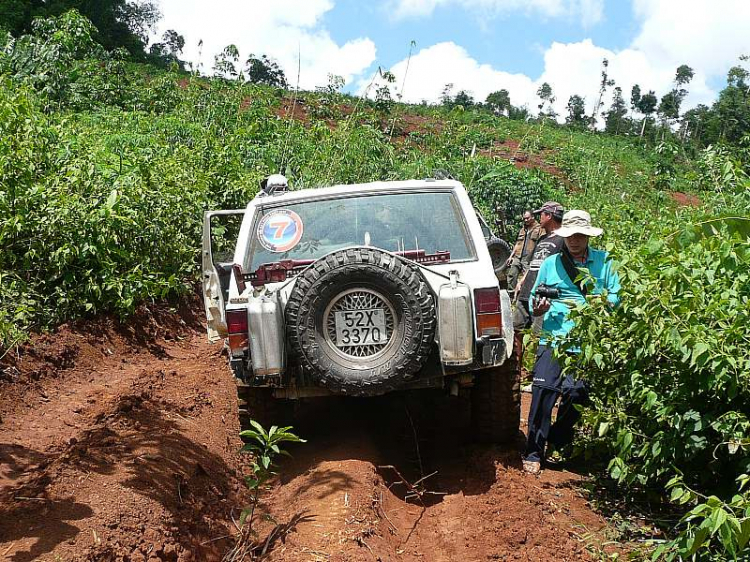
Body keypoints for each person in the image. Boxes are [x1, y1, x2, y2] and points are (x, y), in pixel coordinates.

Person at [522, 210, 620, 475]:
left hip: (585, 342)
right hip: (553, 338)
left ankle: (557, 439)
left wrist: (596, 305)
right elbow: (534, 299)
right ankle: (533, 451)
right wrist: (539, 308)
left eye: (579, 235)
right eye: (570, 235)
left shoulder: (605, 262)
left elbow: (617, 297)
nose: (574, 240)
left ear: (588, 236)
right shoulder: (550, 263)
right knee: (543, 393)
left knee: (578, 393)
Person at [512, 201, 565, 330]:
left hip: (542, 295)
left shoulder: (563, 240)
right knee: (517, 327)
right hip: (526, 290)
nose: (539, 218)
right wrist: (521, 281)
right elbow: (533, 263)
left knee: (538, 333)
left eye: (541, 214)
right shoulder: (542, 239)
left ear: (549, 216)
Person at [501, 210, 544, 292]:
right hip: (518, 256)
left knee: (529, 277)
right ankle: (512, 294)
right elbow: (518, 243)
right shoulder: (523, 230)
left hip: (529, 257)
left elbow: (541, 243)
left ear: (532, 217)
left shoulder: (540, 229)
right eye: (524, 219)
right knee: (511, 274)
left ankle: (529, 294)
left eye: (527, 218)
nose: (526, 220)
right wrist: (511, 256)